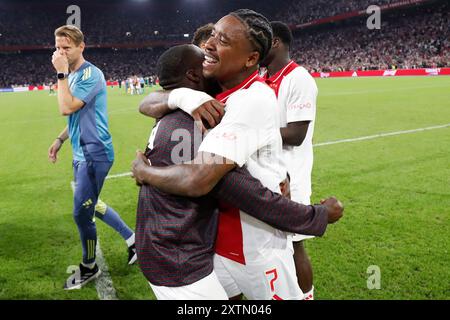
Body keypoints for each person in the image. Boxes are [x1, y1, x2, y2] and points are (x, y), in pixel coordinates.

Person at [135, 9, 344, 300]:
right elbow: (150, 100)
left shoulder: (252, 99)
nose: (209, 44)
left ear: (250, 59)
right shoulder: (213, 95)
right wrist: (181, 96)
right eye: (211, 37)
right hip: (217, 241)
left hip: (258, 245)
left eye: (222, 40)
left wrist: (145, 173)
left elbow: (203, 179)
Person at [48, 25, 136, 290]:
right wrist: (60, 139)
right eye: (58, 47)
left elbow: (65, 107)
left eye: (67, 47)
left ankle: (89, 267)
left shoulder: (91, 74)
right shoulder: (72, 76)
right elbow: (75, 116)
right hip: (80, 151)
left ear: (81, 47)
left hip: (94, 153)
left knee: (81, 213)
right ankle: (134, 241)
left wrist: (61, 72)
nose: (61, 52)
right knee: (91, 203)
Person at [261, 21, 318, 300]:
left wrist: (251, 133)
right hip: (264, 173)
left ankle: (307, 297)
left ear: (275, 42)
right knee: (270, 246)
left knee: (294, 246)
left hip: (292, 176)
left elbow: (296, 133)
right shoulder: (262, 79)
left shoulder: (299, 78)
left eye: (261, 40)